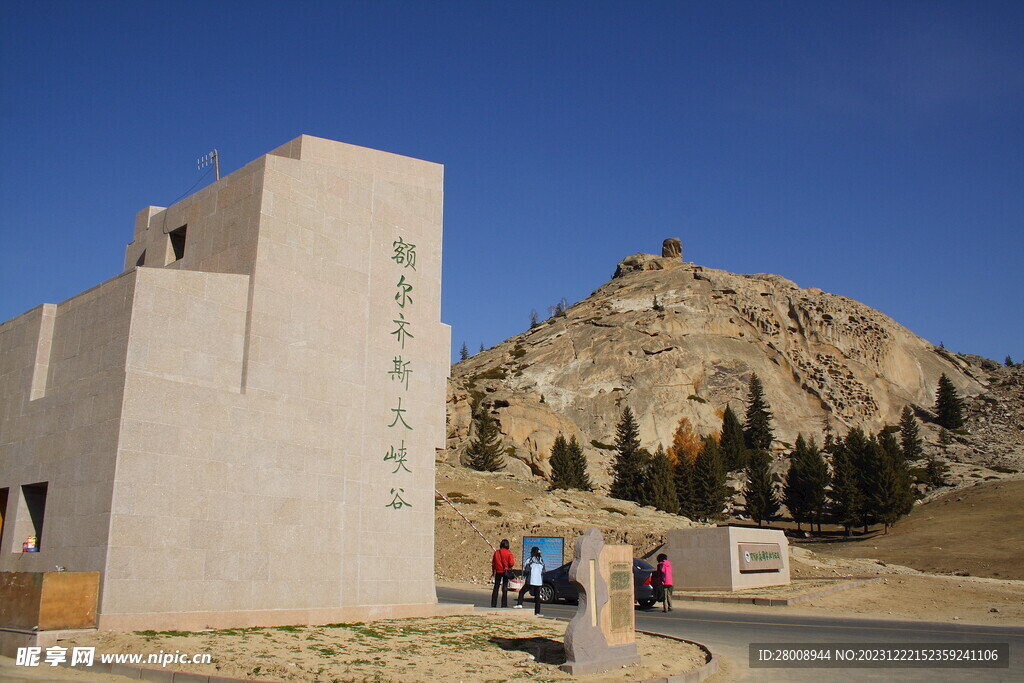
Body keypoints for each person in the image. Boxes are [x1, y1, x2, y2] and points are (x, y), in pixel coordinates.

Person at [515, 546, 545, 614]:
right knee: (537, 598)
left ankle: (519, 604)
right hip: (539, 581)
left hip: (531, 580)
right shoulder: (541, 560)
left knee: (522, 592)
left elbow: (526, 569)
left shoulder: (530, 560)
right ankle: (537, 612)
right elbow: (543, 571)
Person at [490, 539, 515, 608]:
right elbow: (511, 563)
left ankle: (493, 603)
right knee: (504, 588)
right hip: (505, 571)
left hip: (498, 571)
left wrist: (493, 572)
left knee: (496, 588)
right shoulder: (509, 553)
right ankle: (504, 604)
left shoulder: (496, 553)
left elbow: (493, 563)